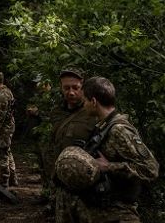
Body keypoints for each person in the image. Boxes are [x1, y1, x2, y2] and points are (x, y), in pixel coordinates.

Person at [62, 76, 159, 223]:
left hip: (119, 213)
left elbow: (151, 170)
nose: (84, 105)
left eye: (86, 101)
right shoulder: (103, 126)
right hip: (103, 211)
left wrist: (108, 167)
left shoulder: (119, 130)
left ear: (93, 102)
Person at [45, 68, 100, 222]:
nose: (71, 92)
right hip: (61, 187)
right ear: (61, 88)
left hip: (87, 190)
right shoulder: (56, 112)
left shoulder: (93, 112)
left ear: (83, 87)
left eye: (76, 88)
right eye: (66, 88)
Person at [0, 71, 18, 187]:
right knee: (7, 151)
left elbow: (1, 115)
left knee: (2, 153)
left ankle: (5, 179)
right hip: (7, 127)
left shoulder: (2, 94)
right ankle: (12, 178)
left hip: (4, 128)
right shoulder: (6, 92)